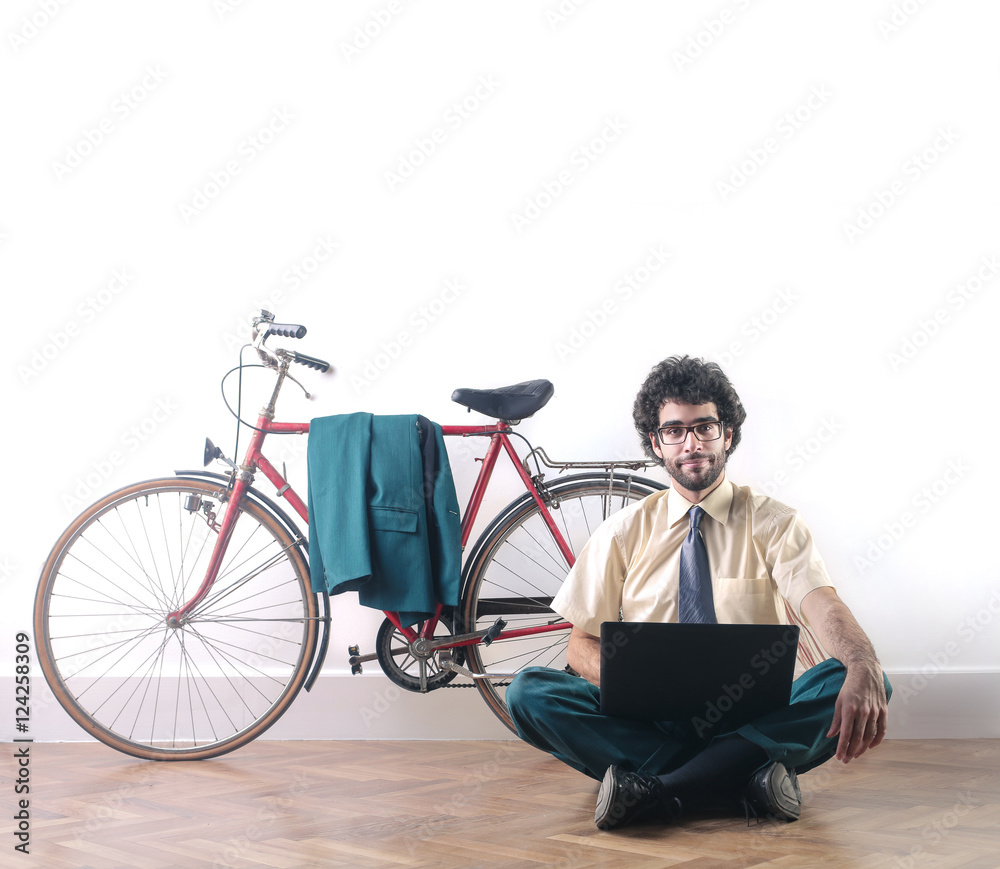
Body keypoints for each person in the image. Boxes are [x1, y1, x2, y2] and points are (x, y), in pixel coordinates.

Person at [506, 355, 891, 831]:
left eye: (704, 427)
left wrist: (862, 664)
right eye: (674, 430)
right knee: (530, 692)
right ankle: (744, 775)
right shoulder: (622, 533)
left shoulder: (775, 523)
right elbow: (579, 643)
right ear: (656, 442)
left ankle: (662, 787)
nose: (691, 444)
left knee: (862, 675)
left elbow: (822, 603)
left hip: (751, 716)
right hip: (654, 723)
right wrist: (637, 684)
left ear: (727, 435)